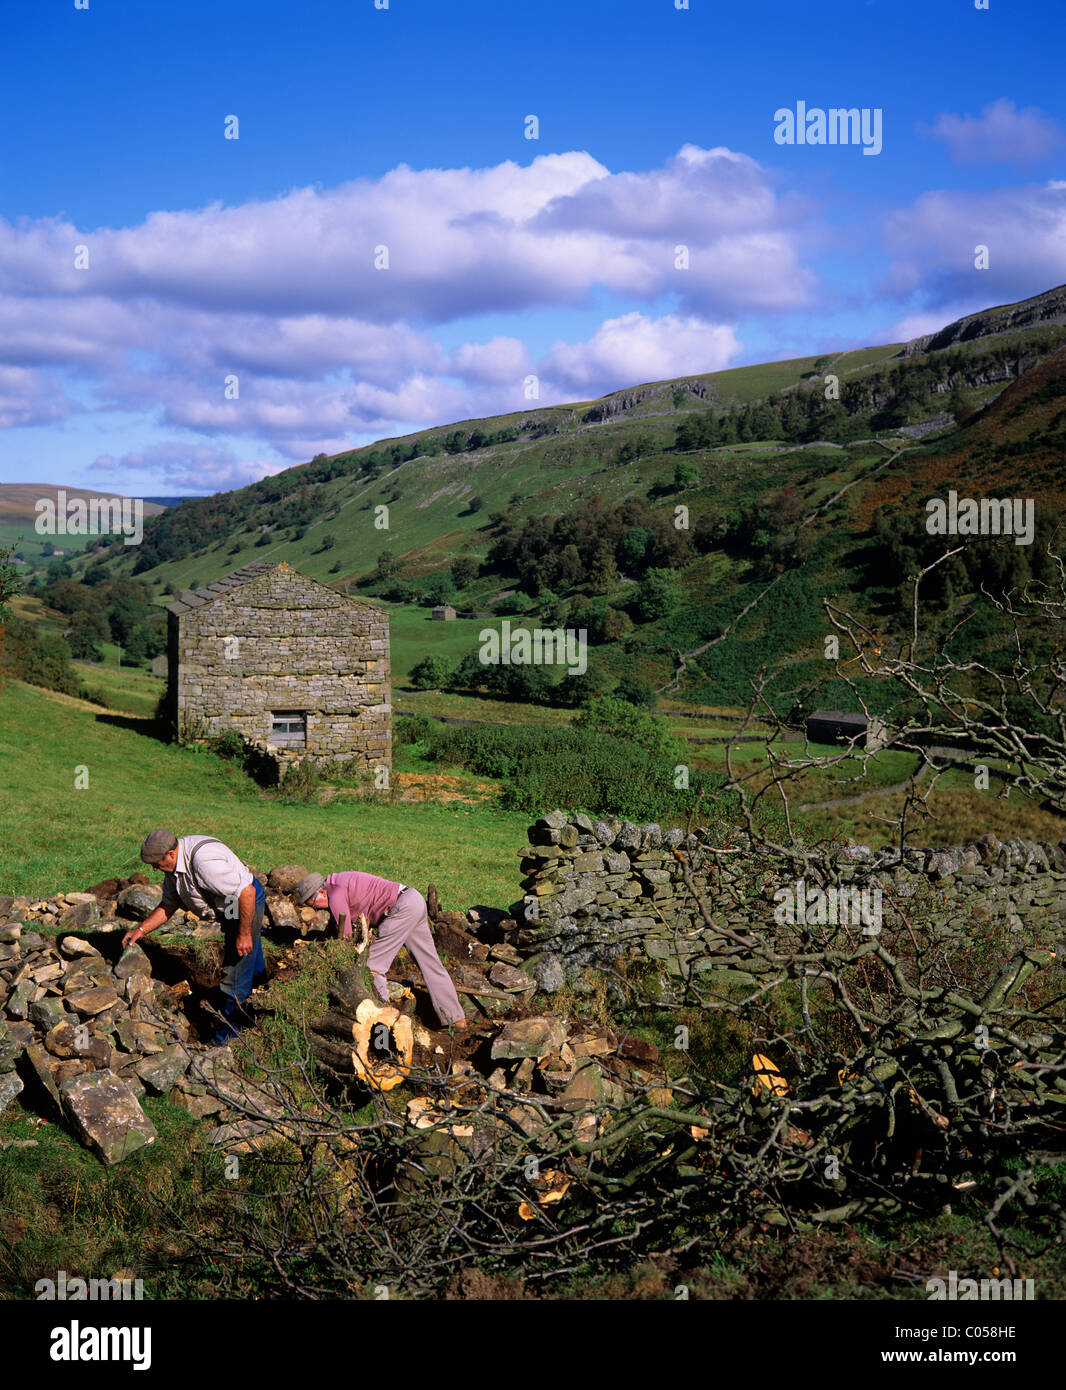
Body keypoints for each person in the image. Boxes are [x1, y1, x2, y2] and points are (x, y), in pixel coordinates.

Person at [123, 829, 267, 1044]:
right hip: (229, 903)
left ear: (171, 853)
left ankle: (226, 1037)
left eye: (156, 863)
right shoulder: (174, 868)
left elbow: (246, 892)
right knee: (245, 951)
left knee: (235, 972)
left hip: (245, 900)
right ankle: (262, 991)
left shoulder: (204, 863)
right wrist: (141, 929)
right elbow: (169, 905)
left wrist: (244, 933)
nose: (154, 869)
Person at [295, 870, 466, 1029]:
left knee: (372, 967)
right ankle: (456, 1019)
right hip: (413, 899)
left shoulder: (335, 894)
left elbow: (345, 938)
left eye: (315, 905)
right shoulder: (337, 883)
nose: (318, 909)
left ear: (321, 892)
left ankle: (383, 1024)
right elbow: (336, 925)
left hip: (401, 909)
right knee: (431, 963)